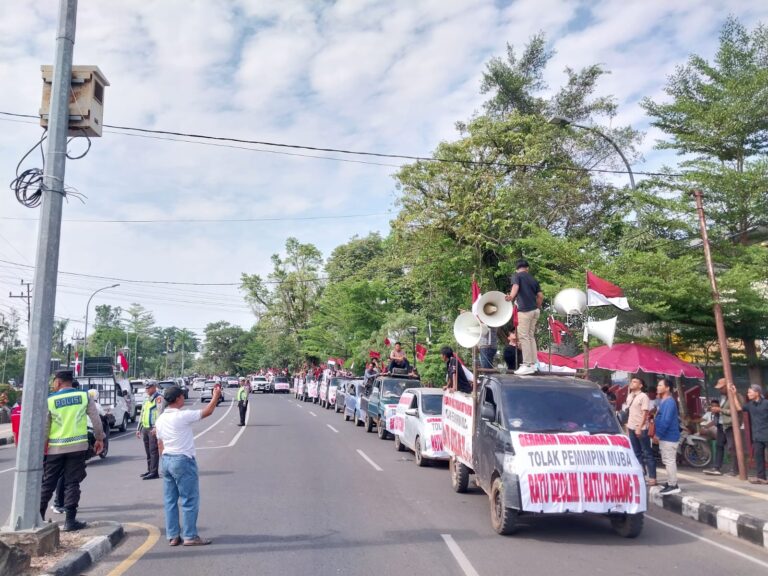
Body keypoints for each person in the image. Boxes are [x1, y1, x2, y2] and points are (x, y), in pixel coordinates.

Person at [156, 384, 221, 546]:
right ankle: (190, 536)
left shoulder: (161, 418)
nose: (184, 398)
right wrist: (216, 396)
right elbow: (208, 411)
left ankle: (173, 536)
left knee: (170, 500)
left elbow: (160, 443)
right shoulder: (181, 416)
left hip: (166, 459)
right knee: (189, 499)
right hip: (182, 460)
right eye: (182, 396)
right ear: (177, 398)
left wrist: (164, 461)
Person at [39, 370, 104, 530]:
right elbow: (96, 420)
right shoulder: (83, 396)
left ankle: (38, 517)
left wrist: (42, 447)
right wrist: (99, 439)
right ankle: (70, 521)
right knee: (72, 483)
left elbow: (45, 427)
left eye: (54, 381)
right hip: (78, 447)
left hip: (56, 448)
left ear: (58, 382)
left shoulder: (50, 400)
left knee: (48, 483)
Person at [505, 259, 543, 375]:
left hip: (524, 311)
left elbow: (515, 287)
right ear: (527, 268)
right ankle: (533, 364)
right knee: (531, 337)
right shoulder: (534, 280)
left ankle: (527, 364)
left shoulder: (517, 276)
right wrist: (536, 307)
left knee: (524, 337)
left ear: (517, 268)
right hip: (535, 311)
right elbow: (540, 296)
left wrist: (511, 296)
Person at [704, 378, 742, 477]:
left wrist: (720, 410)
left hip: (731, 426)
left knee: (732, 448)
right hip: (721, 425)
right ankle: (716, 467)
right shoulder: (723, 397)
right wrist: (716, 410)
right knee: (719, 446)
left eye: (721, 388)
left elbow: (737, 411)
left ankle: (734, 470)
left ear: (726, 386)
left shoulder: (736, 396)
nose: (720, 390)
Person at [732, 383, 768, 484]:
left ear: (757, 393)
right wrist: (734, 394)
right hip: (757, 436)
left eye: (750, 392)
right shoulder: (750, 405)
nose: (748, 394)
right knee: (759, 457)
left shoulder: (766, 403)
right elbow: (739, 408)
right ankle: (761, 478)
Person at [624, 377, 656, 486]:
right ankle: (641, 474)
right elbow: (629, 413)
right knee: (636, 453)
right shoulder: (629, 396)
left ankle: (652, 477)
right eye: (631, 381)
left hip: (641, 428)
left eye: (635, 382)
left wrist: (639, 427)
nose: (632, 383)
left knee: (647, 453)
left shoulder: (643, 397)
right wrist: (628, 427)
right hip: (631, 427)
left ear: (640, 385)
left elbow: (645, 413)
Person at [653, 379, 681, 495]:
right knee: (667, 460)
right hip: (666, 436)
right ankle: (670, 482)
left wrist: (658, 434)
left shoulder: (669, 402)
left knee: (669, 461)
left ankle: (673, 485)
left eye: (660, 385)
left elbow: (666, 420)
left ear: (667, 388)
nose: (658, 387)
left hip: (669, 436)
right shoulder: (663, 401)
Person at [137, 381, 163, 480]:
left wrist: (157, 428)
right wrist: (138, 429)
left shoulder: (159, 398)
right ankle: (149, 470)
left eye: (149, 388)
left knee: (153, 450)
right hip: (145, 428)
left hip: (153, 428)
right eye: (146, 388)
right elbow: (142, 414)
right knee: (148, 451)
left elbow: (160, 414)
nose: (147, 389)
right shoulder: (146, 399)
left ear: (154, 387)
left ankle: (154, 472)